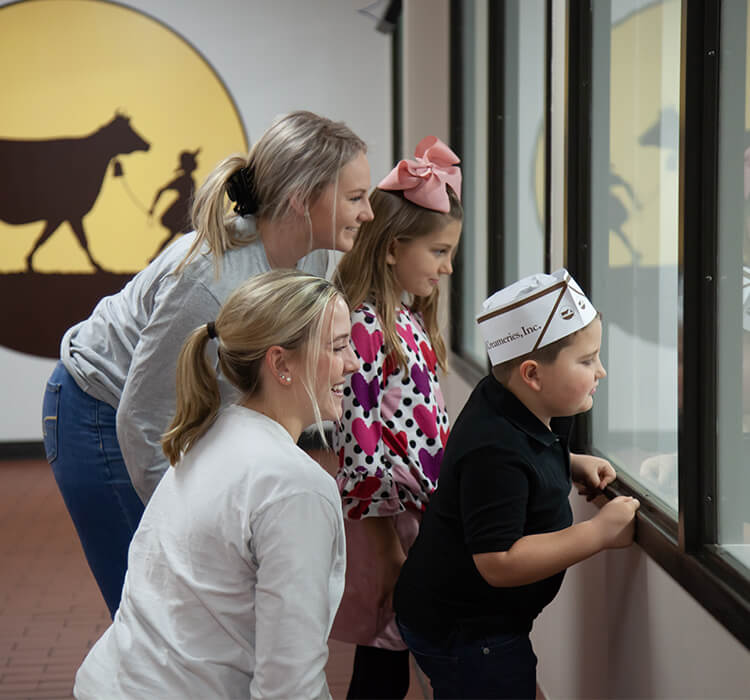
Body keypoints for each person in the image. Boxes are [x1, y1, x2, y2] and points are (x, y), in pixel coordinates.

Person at [41, 110, 374, 617]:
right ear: (302, 200)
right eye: (355, 198)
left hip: (166, 411)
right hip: (100, 411)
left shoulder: (311, 257)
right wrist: (189, 526)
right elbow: (142, 417)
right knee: (154, 611)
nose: (367, 213)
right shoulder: (209, 283)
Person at [73, 269, 359, 700]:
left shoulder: (208, 434)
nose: (354, 362)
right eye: (338, 347)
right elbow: (289, 685)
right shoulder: (296, 487)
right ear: (281, 363)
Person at [393, 269, 640, 699]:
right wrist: (598, 532)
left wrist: (569, 463)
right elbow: (499, 562)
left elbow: (529, 456)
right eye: (587, 360)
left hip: (467, 622)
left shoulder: (510, 402)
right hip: (468, 633)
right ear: (532, 374)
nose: (600, 371)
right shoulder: (495, 449)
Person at [330, 136, 462, 699]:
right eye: (438, 253)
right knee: (384, 660)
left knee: (399, 650)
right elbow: (357, 445)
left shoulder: (405, 320)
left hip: (416, 515)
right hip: (388, 520)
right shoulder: (365, 326)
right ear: (390, 248)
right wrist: (386, 546)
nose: (448, 267)